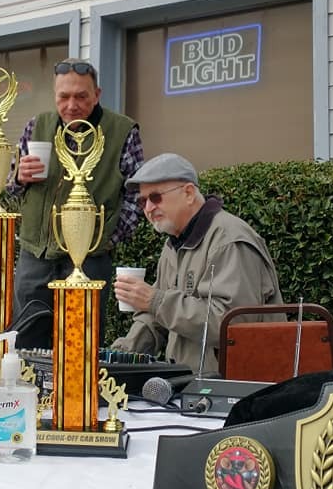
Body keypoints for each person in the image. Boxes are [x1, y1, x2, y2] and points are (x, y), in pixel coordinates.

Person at [9, 59, 143, 348]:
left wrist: (105, 239)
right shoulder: (37, 126)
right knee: (26, 344)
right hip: (35, 254)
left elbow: (136, 194)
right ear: (55, 95)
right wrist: (19, 178)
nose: (71, 105)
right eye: (63, 97)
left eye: (81, 96)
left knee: (80, 346)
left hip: (90, 260)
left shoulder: (122, 131)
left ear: (97, 94)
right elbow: (11, 190)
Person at [111, 152, 283, 377]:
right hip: (191, 384)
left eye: (155, 197)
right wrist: (117, 357)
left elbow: (233, 326)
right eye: (142, 201)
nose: (148, 208)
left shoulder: (229, 240)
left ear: (189, 193)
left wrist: (155, 300)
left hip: (236, 389)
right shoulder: (173, 244)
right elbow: (156, 317)